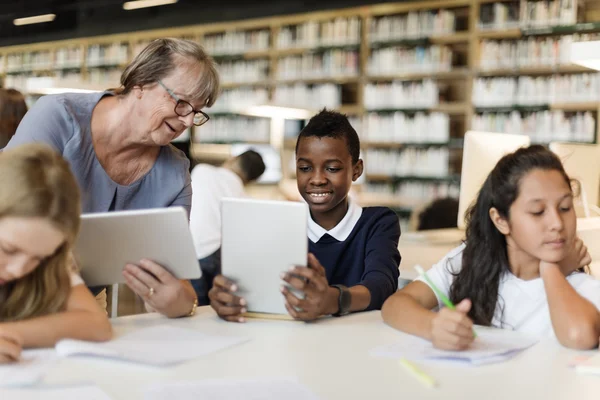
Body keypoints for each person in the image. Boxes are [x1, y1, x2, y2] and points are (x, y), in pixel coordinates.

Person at [4, 38, 220, 318]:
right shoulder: (57, 117)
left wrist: (179, 302)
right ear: (141, 83)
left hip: (84, 301)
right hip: (13, 288)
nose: (189, 121)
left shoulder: (175, 174)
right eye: (182, 103)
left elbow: (175, 277)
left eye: (197, 111)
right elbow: (7, 210)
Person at [382, 145, 600, 350]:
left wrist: (552, 269)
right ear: (500, 220)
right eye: (537, 211)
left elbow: (579, 335)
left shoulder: (579, 287)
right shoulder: (470, 262)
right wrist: (432, 326)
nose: (557, 223)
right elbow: (395, 305)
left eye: (565, 207)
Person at [209, 109, 401, 322]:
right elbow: (255, 288)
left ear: (356, 170)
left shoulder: (378, 223)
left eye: (332, 168)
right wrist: (227, 297)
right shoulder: (277, 224)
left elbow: (381, 285)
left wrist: (332, 299)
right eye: (305, 168)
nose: (317, 179)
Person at [0, 144, 112, 363]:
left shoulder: (49, 251)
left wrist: (9, 333)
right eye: (8, 249)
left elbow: (97, 325)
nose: (19, 270)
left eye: (39, 258)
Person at [190, 150, 266, 304]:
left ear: (233, 159)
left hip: (195, 250)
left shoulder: (202, 171)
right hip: (222, 256)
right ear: (251, 180)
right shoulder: (244, 197)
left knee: (195, 306)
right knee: (216, 305)